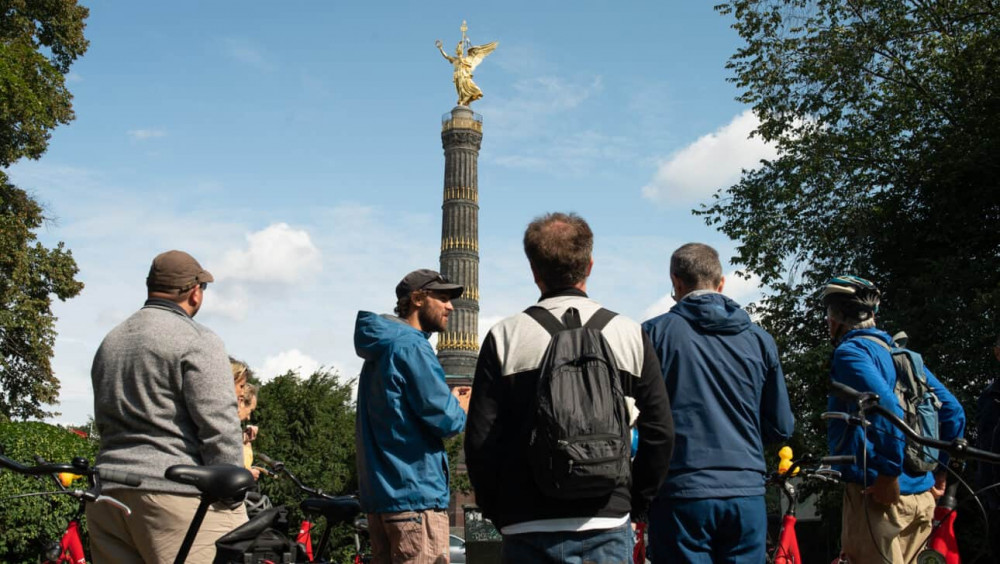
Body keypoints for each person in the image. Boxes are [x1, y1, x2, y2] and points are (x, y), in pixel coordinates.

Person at [465, 212, 674, 563]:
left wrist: (498, 509)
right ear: (590, 265)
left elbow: (481, 440)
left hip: (525, 523)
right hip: (606, 519)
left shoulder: (505, 336)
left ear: (534, 270)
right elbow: (660, 433)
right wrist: (634, 502)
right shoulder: (629, 333)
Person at [87, 250, 246, 564]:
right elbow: (220, 425)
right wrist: (231, 490)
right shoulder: (197, 339)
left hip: (107, 494)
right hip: (173, 495)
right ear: (195, 292)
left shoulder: (112, 340)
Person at [641, 242, 795, 563]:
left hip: (681, 492)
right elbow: (781, 425)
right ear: (721, 282)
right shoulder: (759, 339)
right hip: (745, 491)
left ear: (676, 282)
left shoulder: (653, 335)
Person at [823, 275, 965, 564]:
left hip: (879, 498)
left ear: (836, 318)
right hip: (921, 499)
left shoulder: (851, 352)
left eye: (828, 315)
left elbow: (885, 404)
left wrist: (889, 475)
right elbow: (952, 411)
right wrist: (940, 472)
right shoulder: (904, 357)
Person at [354, 268, 470, 564]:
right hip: (415, 499)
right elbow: (446, 420)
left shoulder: (381, 348)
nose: (450, 307)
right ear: (418, 299)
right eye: (442, 298)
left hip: (382, 498)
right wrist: (459, 405)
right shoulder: (412, 346)